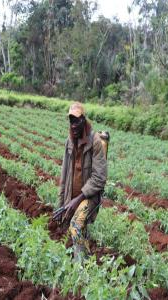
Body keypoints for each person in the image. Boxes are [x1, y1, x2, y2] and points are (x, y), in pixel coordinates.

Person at [59, 102, 107, 263]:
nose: (73, 125)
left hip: (89, 197)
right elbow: (64, 176)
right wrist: (61, 204)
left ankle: (80, 268)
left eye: (77, 120)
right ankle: (87, 259)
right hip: (72, 198)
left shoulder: (95, 142)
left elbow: (99, 178)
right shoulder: (69, 142)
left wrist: (77, 200)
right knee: (75, 229)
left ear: (83, 120)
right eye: (71, 121)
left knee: (76, 226)